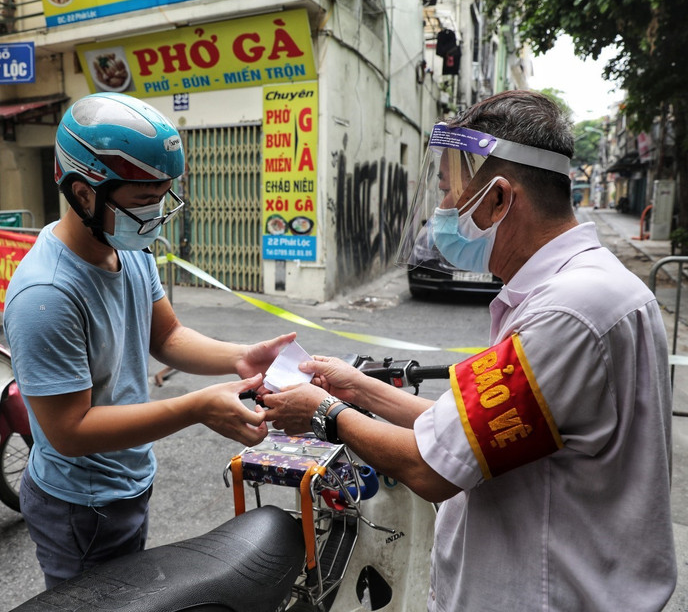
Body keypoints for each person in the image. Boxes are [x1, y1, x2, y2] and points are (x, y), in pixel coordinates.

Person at [263, 90, 676, 611]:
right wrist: (358, 387)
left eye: (448, 193)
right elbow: (470, 431)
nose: (441, 212)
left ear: (501, 199)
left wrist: (324, 413)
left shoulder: (565, 312)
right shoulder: (586, 289)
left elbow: (430, 470)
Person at [2, 92, 293, 589]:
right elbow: (69, 431)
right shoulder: (45, 295)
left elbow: (168, 335)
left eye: (161, 198)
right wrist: (196, 407)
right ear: (83, 193)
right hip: (80, 503)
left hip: (125, 479)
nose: (155, 215)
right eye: (142, 201)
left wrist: (240, 357)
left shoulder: (124, 244)